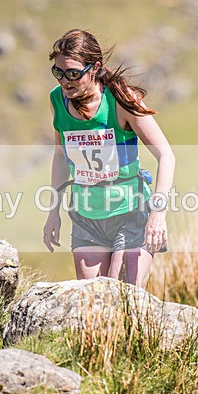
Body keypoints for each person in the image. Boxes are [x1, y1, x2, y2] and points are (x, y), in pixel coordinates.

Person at [42, 29, 175, 287]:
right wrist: (53, 211)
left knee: (121, 295)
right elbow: (60, 156)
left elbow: (166, 155)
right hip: (86, 216)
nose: (65, 81)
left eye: (73, 73)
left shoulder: (121, 101)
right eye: (58, 72)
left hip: (130, 213)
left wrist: (158, 214)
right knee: (93, 301)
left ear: (95, 68)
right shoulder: (57, 100)